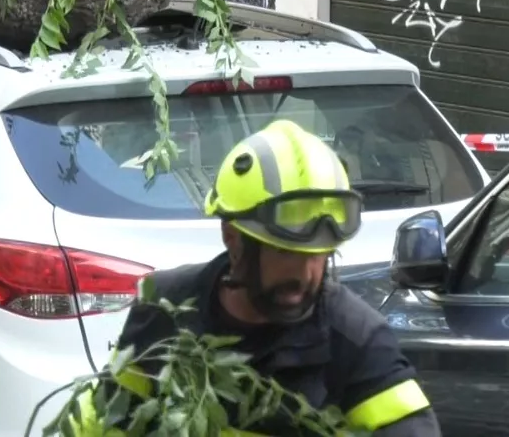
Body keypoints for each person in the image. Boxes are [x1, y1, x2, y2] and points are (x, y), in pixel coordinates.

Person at [65, 120, 441, 437]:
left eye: (318, 255)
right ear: (233, 237)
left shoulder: (355, 340)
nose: (305, 275)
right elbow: (108, 419)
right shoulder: (165, 309)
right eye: (285, 252)